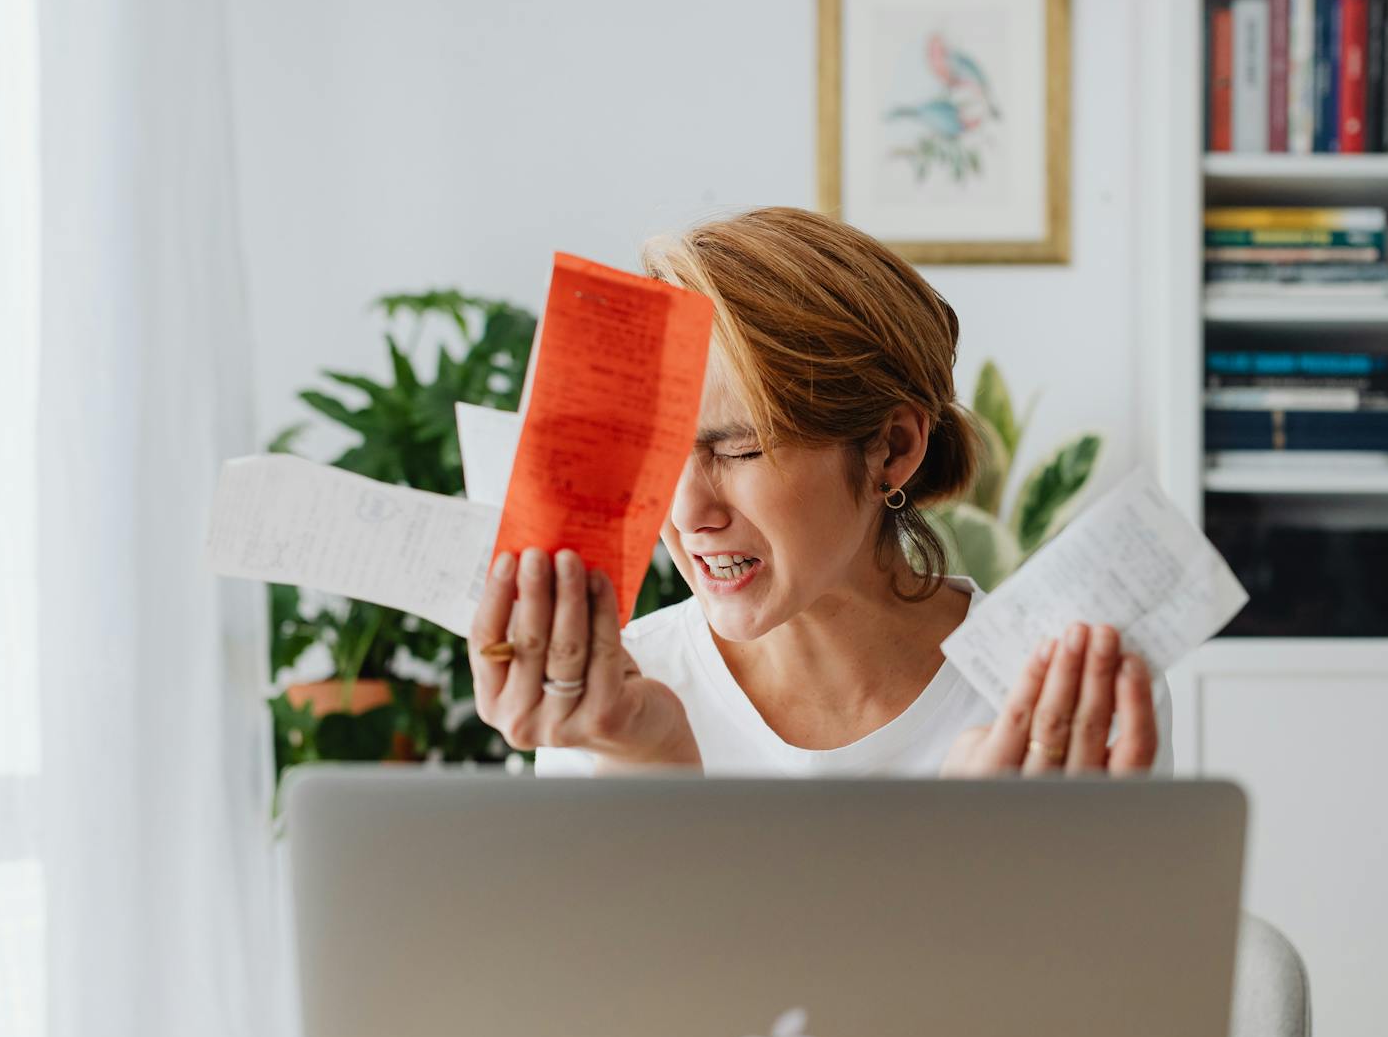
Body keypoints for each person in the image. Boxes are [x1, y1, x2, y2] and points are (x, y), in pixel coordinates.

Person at [468, 206, 1168, 776]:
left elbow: (1134, 951)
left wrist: (986, 854)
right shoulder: (610, 695)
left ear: (892, 450)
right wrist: (650, 764)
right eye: (658, 455)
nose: (685, 514)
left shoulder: (1060, 697)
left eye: (739, 447)